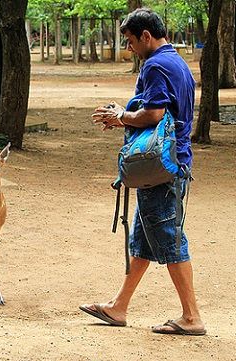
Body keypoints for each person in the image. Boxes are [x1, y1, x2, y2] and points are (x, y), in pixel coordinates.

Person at [81, 8, 206, 336]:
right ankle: (118, 307)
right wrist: (123, 117)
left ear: (146, 36)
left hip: (161, 169)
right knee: (144, 239)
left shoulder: (154, 65)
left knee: (169, 239)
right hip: (173, 164)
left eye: (131, 41)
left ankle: (192, 317)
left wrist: (122, 116)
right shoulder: (177, 62)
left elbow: (152, 114)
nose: (130, 48)